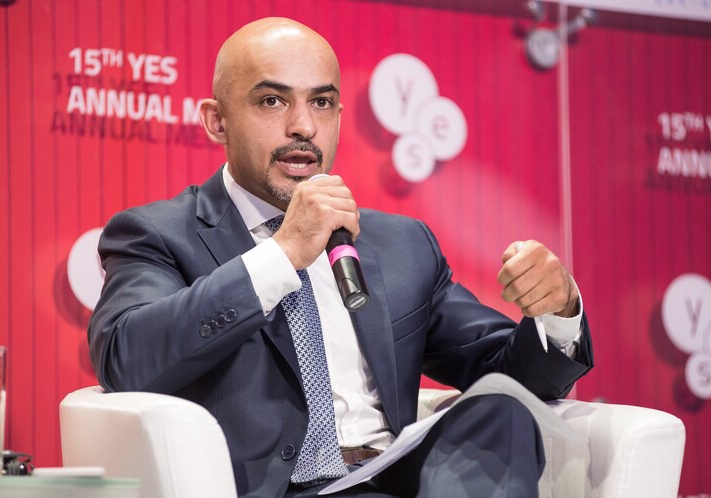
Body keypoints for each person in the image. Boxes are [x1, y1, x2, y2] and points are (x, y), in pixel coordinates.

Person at [88, 17, 592, 498]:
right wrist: (283, 253)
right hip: (278, 489)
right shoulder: (159, 234)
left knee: (501, 411)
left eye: (322, 102)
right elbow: (127, 361)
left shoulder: (402, 244)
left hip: (394, 477)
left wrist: (557, 311)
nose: (303, 126)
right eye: (271, 101)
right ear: (217, 121)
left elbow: (508, 372)